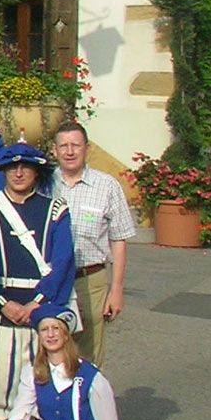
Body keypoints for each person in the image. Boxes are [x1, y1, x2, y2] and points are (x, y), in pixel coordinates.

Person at [0, 143, 75, 420]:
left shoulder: (55, 209)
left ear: (37, 172)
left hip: (40, 311)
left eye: (26, 167)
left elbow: (63, 260)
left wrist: (37, 304)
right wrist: (0, 302)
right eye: (12, 167)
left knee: (45, 394)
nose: (19, 173)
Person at [50, 122, 134, 364]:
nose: (69, 151)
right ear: (54, 151)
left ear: (86, 148)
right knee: (50, 352)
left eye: (75, 145)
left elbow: (119, 239)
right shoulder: (44, 185)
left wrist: (116, 289)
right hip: (51, 281)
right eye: (63, 146)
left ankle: (86, 401)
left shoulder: (107, 186)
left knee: (88, 358)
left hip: (90, 280)